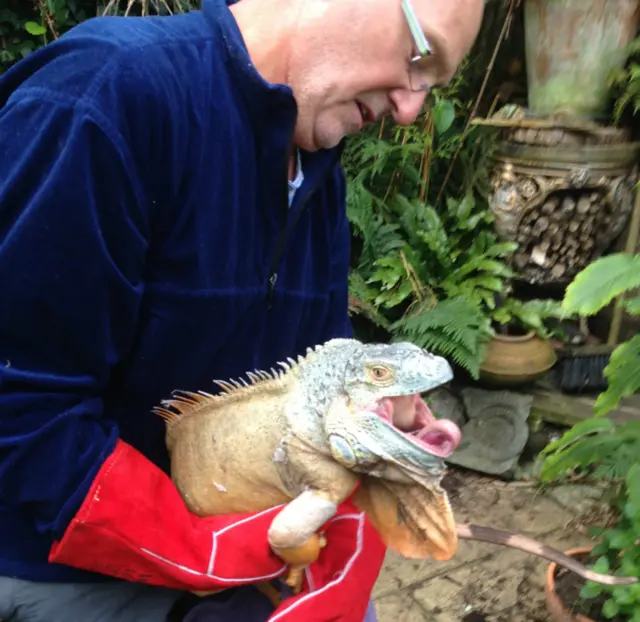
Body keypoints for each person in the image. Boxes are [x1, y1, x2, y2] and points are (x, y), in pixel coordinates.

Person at [0, 0, 484, 619]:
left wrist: (380, 417)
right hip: (55, 562)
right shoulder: (108, 96)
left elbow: (315, 373)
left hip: (241, 550)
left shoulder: (317, 168)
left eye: (433, 83)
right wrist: (209, 553)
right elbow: (22, 409)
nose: (413, 108)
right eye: (421, 57)